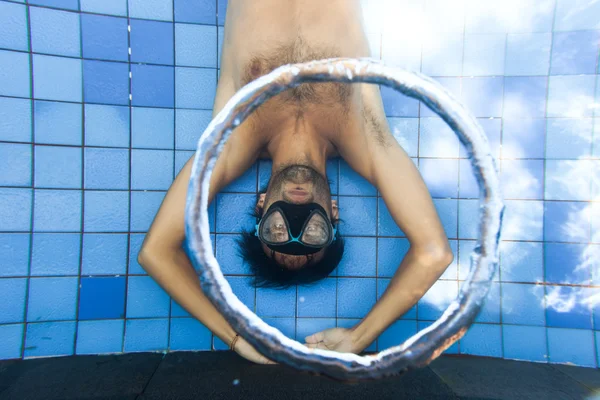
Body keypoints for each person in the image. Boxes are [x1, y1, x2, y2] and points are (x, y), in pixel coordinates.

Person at [138, 0, 453, 364]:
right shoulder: (366, 140)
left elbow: (156, 252)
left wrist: (238, 338)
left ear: (261, 207)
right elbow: (433, 253)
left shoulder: (231, 142)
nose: (296, 218)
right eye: (313, 232)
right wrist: (359, 337)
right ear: (333, 213)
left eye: (276, 230)